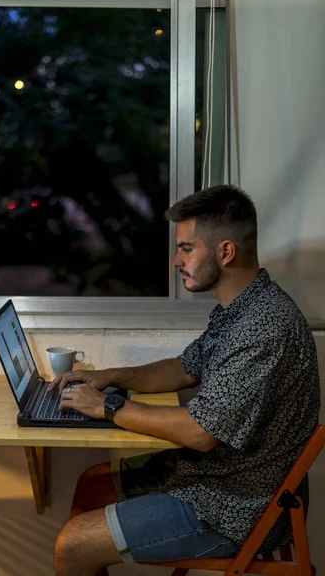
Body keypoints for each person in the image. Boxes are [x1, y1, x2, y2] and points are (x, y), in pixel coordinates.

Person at [48, 184, 320, 576]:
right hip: (210, 473)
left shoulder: (264, 327)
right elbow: (184, 367)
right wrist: (106, 376)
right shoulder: (240, 308)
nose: (177, 260)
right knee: (92, 484)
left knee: (72, 546)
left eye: (187, 249)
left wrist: (107, 406)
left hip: (238, 506)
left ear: (225, 252)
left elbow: (199, 433)